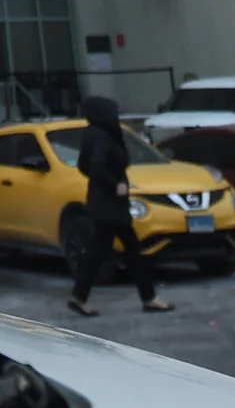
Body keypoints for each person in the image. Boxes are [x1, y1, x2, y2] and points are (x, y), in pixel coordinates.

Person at [65, 97, 170, 318]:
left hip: (102, 203)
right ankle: (148, 297)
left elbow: (84, 165)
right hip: (110, 205)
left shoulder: (92, 133)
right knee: (127, 250)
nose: (115, 117)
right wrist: (116, 185)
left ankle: (80, 296)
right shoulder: (102, 136)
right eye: (111, 112)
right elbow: (95, 167)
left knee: (105, 251)